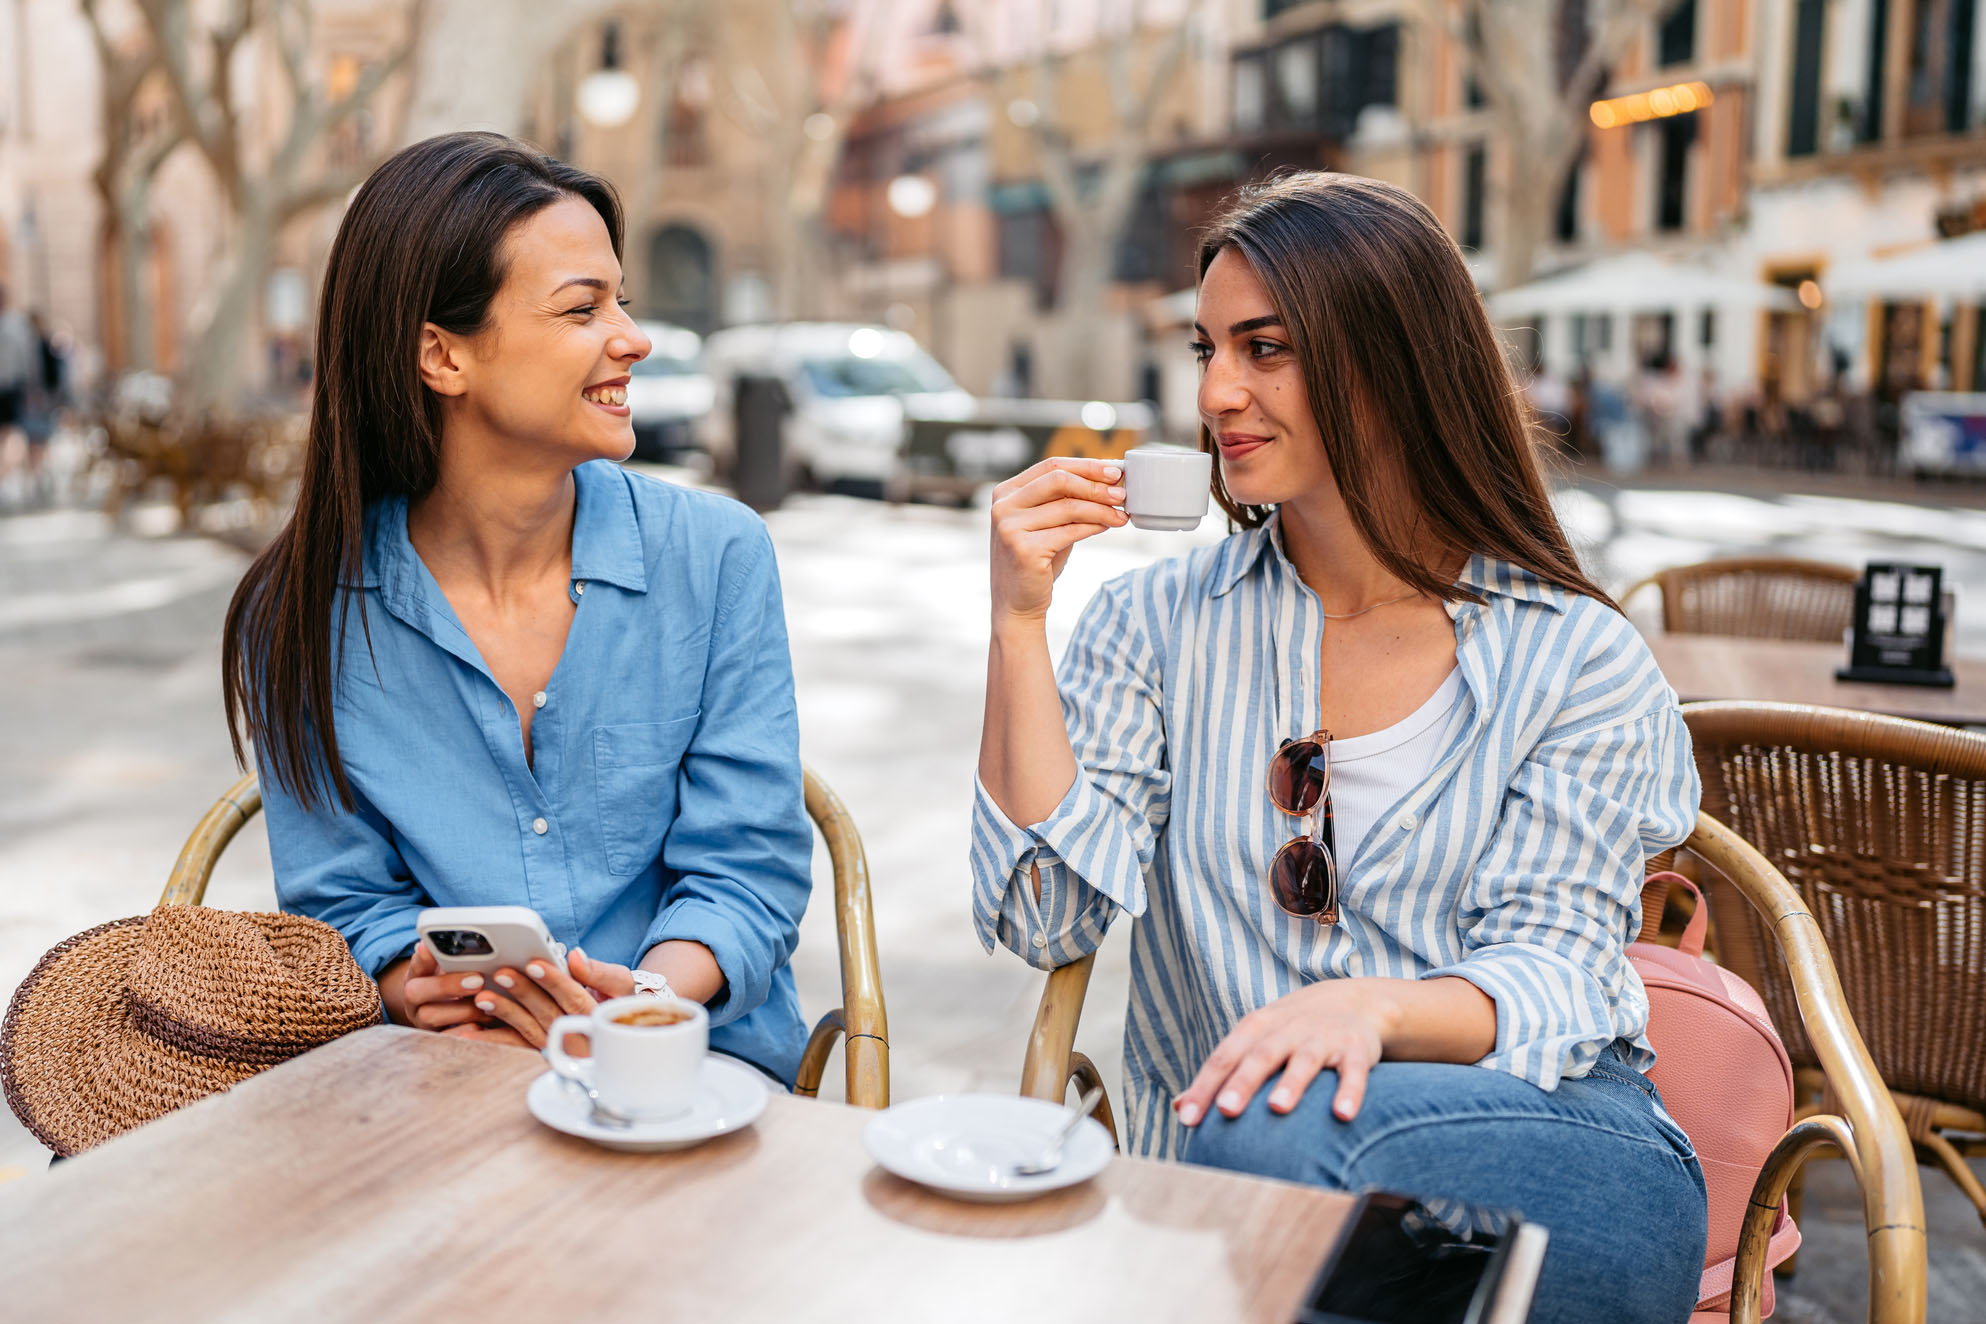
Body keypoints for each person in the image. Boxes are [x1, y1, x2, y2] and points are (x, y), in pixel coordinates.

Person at [972, 173, 1706, 1324]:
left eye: (1266, 349)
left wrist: (1370, 1012)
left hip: (1549, 1156)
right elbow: (1044, 918)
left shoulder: (1575, 658)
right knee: (1271, 1138)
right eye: (1206, 346)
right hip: (1250, 1172)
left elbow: (1559, 967)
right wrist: (1019, 624)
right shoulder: (1153, 626)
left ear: (1394, 359)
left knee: (1278, 1132)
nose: (1216, 391)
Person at [221, 133, 812, 1087]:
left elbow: (747, 872)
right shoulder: (299, 611)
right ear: (442, 355)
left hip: (692, 1056)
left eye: (623, 299)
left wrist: (639, 1008)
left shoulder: (717, 557)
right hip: (433, 1074)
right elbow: (342, 909)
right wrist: (415, 988)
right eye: (583, 308)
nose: (632, 336)